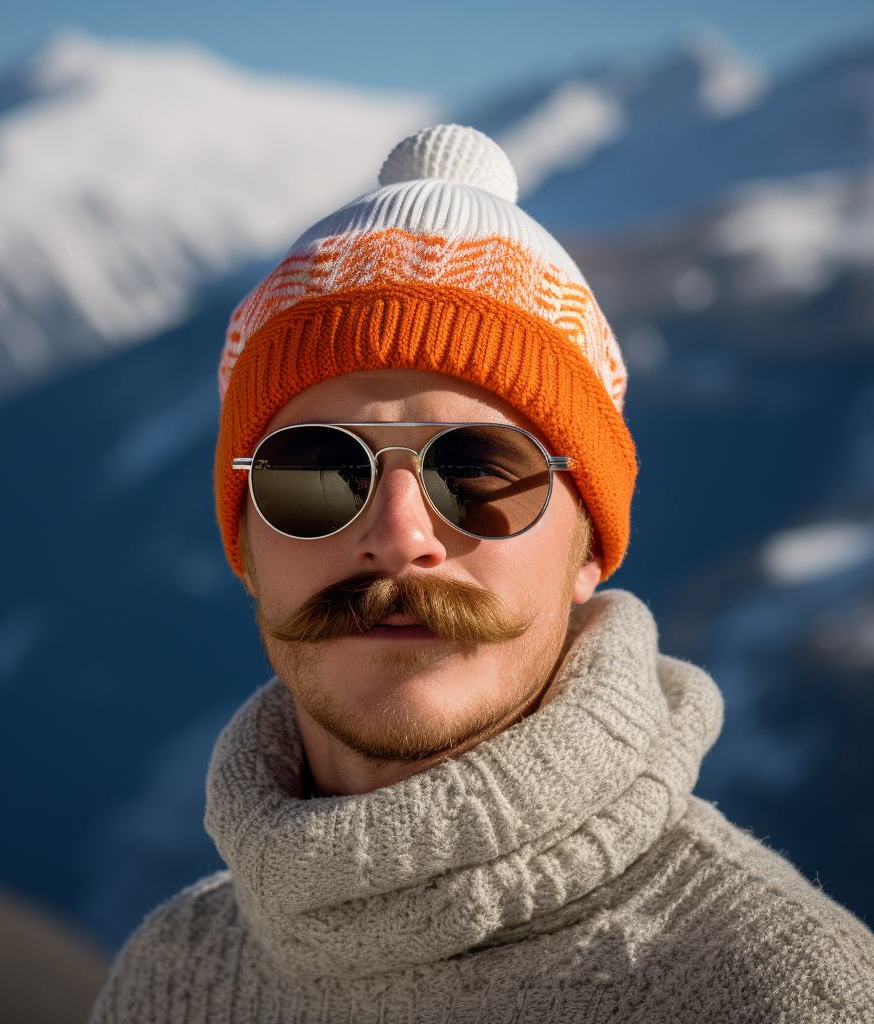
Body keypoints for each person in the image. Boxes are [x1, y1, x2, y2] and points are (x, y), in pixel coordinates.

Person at [90, 125, 874, 1022]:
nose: (398, 536)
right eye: (313, 473)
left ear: (589, 546)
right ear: (245, 545)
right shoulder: (172, 981)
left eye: (479, 472)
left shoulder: (783, 998)